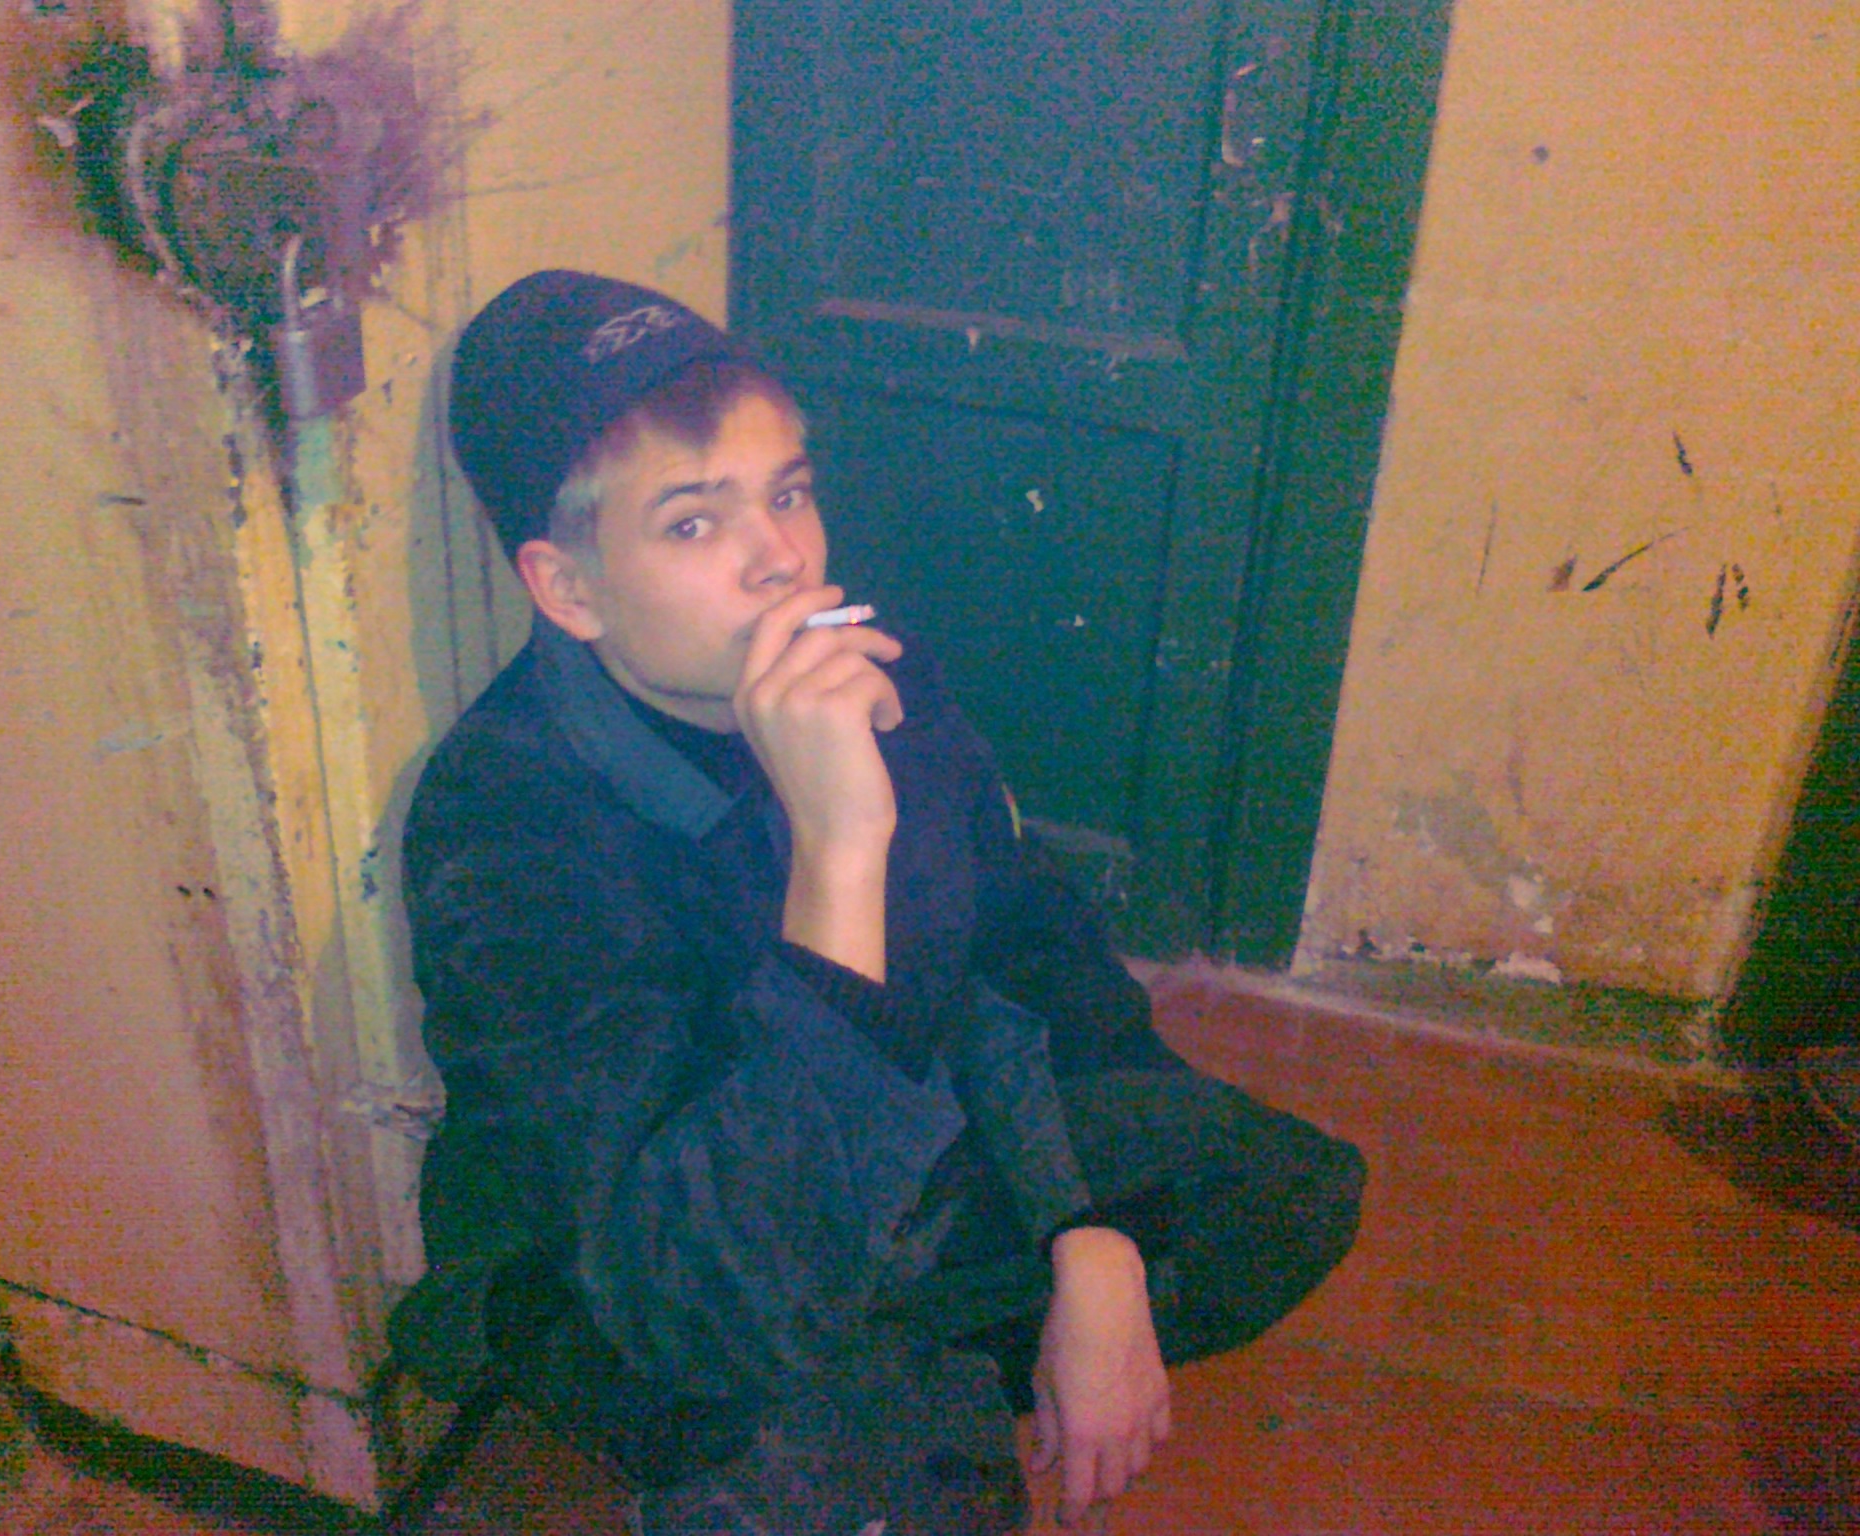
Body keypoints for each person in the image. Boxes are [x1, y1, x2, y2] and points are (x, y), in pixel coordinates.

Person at [389, 270, 1366, 1535]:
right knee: (808, 1433)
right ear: (568, 589)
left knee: (1281, 1195)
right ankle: (866, 1415)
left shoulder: (853, 661)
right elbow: (705, 1291)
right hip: (664, 1265)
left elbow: (1026, 934)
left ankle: (911, 1372)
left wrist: (1092, 1233)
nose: (779, 558)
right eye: (692, 524)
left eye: (786, 493)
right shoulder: (506, 820)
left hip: (893, 1143)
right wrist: (839, 854)